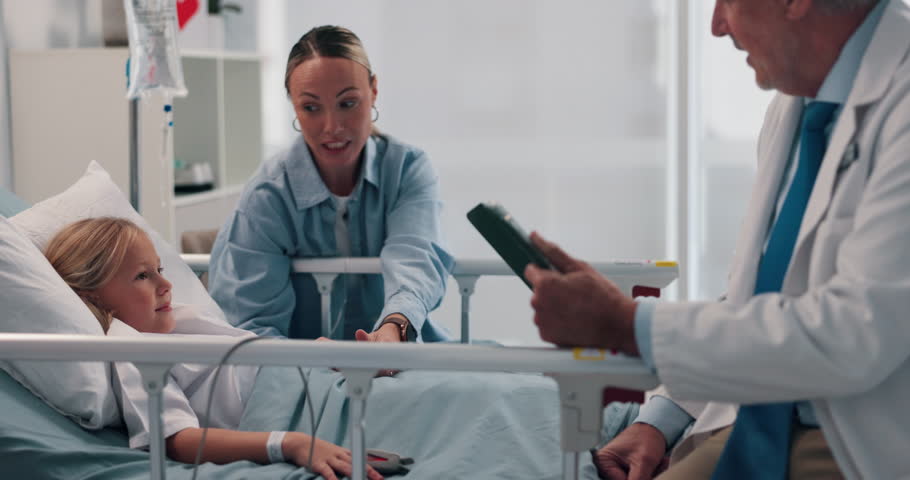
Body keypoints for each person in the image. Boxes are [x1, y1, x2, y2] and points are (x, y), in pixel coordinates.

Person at [525, 0, 910, 479]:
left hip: (862, 438)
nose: (716, 26)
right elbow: (761, 302)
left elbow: (853, 333)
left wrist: (628, 325)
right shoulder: (795, 106)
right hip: (762, 411)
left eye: (726, 0)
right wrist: (660, 419)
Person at [44, 217, 385, 480]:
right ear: (93, 296)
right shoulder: (133, 350)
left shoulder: (178, 325)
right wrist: (288, 443)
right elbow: (176, 439)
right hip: (296, 409)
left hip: (315, 382)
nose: (166, 284)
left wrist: (311, 354)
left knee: (424, 386)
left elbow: (248, 359)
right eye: (142, 276)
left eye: (159, 270)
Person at [208, 25, 453, 344]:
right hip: (301, 373)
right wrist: (312, 362)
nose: (332, 127)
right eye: (310, 108)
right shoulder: (268, 196)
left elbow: (415, 257)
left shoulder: (407, 170)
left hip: (400, 358)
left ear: (374, 90)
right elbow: (252, 326)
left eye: (347, 103)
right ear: (294, 106)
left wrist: (394, 329)